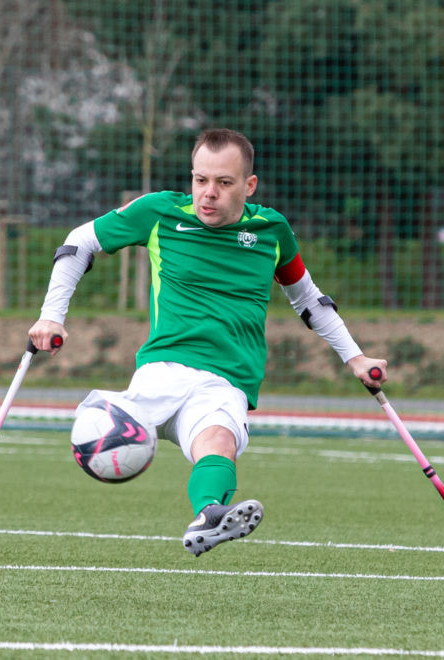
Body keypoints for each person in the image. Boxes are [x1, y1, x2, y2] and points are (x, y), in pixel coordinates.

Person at [29, 128, 387, 556]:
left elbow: (308, 298)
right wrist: (52, 315)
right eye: (201, 180)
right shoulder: (161, 213)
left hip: (227, 380)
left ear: (249, 185)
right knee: (97, 429)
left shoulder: (271, 231)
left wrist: (355, 358)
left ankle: (210, 514)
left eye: (223, 182)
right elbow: (80, 241)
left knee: (219, 443)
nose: (208, 193)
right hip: (164, 369)